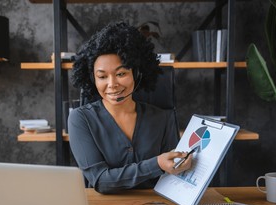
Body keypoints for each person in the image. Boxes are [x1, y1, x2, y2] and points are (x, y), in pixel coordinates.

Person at [68, 21, 192, 194]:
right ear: (92, 79)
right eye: (102, 76)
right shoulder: (81, 119)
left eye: (121, 74)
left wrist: (183, 164)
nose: (112, 84)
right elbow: (100, 180)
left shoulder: (164, 118)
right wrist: (156, 164)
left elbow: (173, 176)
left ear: (137, 73)